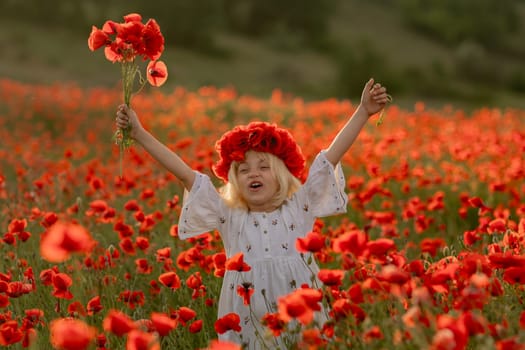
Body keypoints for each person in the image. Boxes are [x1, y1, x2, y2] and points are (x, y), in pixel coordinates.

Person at [115, 78, 389, 348]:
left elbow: (331, 157)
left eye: (263, 167)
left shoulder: (300, 206)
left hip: (300, 309)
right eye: (243, 170)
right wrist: (139, 133)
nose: (253, 173)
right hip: (248, 317)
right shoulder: (229, 214)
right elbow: (186, 175)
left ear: (282, 174)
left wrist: (363, 112)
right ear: (233, 180)